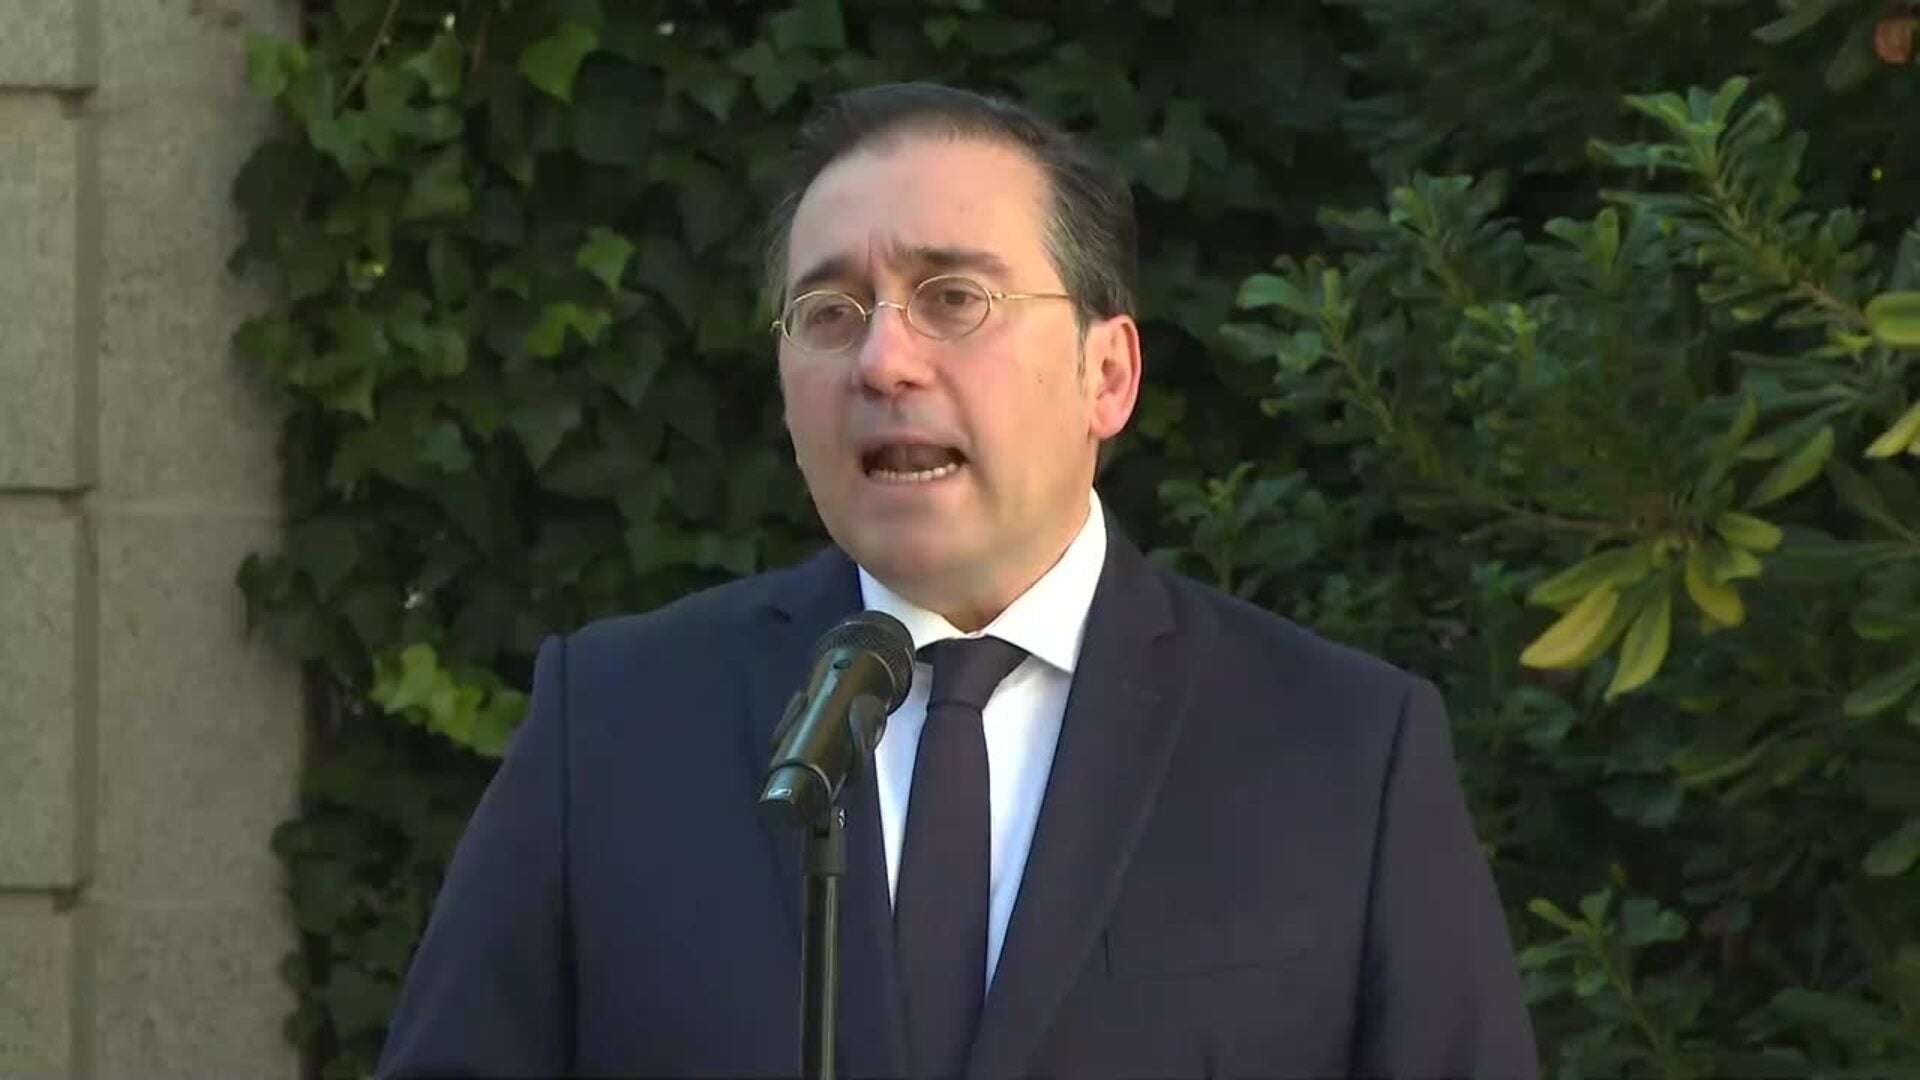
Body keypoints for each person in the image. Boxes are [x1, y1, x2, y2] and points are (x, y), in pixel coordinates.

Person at [375, 81, 1540, 1080]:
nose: (883, 360)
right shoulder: (615, 724)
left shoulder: (1342, 748)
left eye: (953, 299)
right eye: (830, 313)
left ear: (1107, 374)